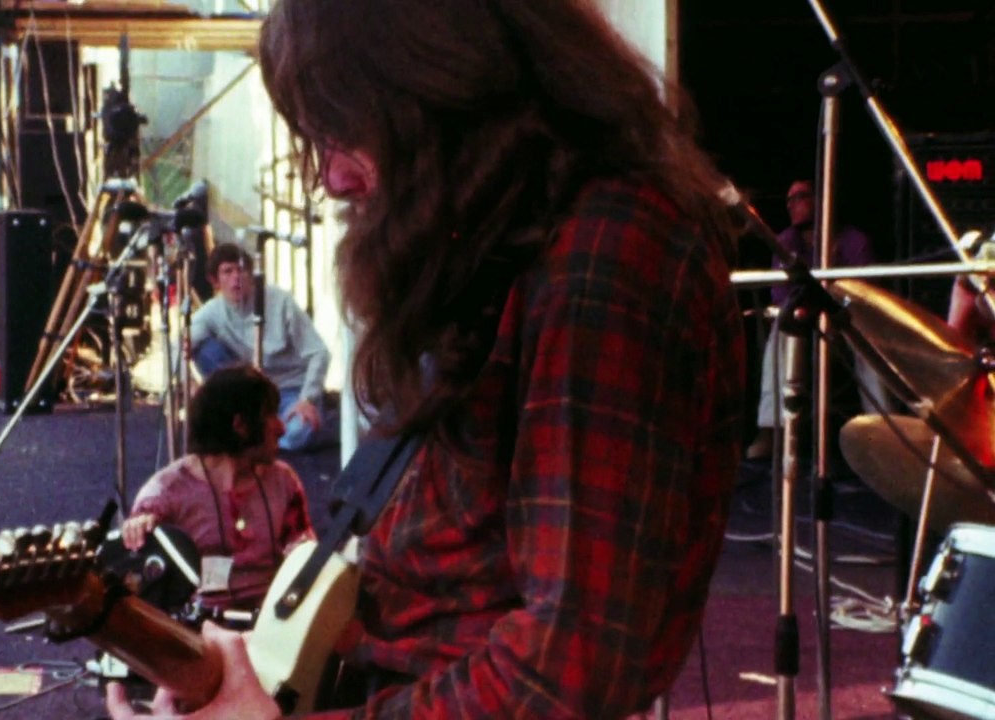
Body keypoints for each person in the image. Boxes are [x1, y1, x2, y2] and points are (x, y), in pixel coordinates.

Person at [108, 0, 746, 718]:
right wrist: (246, 667)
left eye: (342, 132)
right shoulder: (508, 246)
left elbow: (567, 668)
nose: (331, 179)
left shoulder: (610, 253)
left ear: (437, 88)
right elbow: (458, 577)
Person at [121, 365, 314, 613]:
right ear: (240, 425)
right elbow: (139, 578)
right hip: (198, 632)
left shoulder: (284, 481)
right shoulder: (165, 492)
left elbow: (305, 556)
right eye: (270, 415)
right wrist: (139, 528)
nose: (282, 428)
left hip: (273, 622)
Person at [745, 179, 890, 460]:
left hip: (846, 319)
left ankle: (884, 430)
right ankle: (772, 429)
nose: (792, 204)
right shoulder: (785, 242)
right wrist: (808, 307)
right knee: (780, 332)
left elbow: (867, 293)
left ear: (821, 199)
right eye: (789, 200)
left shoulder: (854, 240)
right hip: (805, 320)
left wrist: (832, 305)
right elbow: (780, 294)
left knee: (869, 338)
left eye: (800, 196)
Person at [190, 243, 333, 452]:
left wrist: (307, 398)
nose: (236, 278)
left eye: (242, 270)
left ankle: (260, 439)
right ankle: (254, 432)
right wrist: (192, 384)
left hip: (290, 390)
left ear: (252, 274)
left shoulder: (281, 301)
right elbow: (181, 343)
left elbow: (319, 352)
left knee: (298, 433)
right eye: (227, 272)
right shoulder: (213, 312)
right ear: (215, 281)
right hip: (250, 394)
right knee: (206, 351)